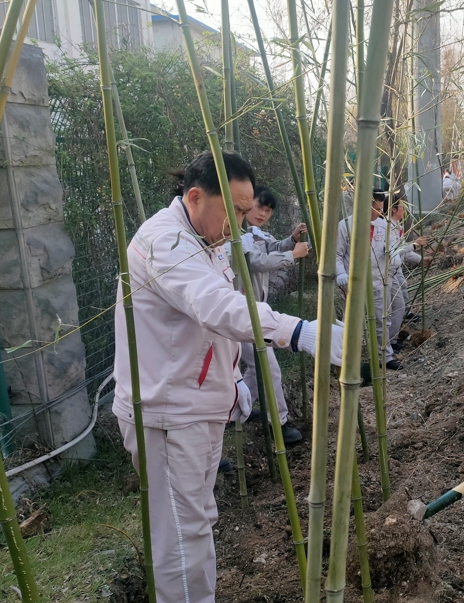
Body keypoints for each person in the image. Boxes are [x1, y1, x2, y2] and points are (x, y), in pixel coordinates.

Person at [112, 151, 343, 603]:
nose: (242, 223)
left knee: (195, 523)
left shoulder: (206, 240)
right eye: (236, 210)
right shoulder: (166, 241)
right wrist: (297, 331)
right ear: (195, 197)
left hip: (194, 407)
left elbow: (208, 329)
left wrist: (232, 378)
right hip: (167, 415)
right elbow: (217, 307)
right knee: (180, 538)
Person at [239, 185, 310, 444]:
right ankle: (279, 423)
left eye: (268, 211)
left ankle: (236, 412)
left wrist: (291, 239)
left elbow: (271, 247)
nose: (263, 214)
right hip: (239, 314)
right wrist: (292, 255)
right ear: (248, 203)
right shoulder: (235, 234)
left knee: (256, 371)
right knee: (270, 369)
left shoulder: (254, 233)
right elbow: (257, 261)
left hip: (253, 312)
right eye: (259, 207)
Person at [336, 188, 401, 370]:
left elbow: (395, 248)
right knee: (353, 323)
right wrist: (341, 274)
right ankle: (349, 360)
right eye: (375, 209)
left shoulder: (384, 226)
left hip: (379, 280)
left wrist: (394, 256)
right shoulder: (346, 226)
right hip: (354, 284)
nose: (379, 213)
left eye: (381, 209)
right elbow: (337, 255)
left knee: (382, 320)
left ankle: (384, 357)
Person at [386, 193, 427, 350]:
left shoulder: (398, 226)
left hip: (395, 271)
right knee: (393, 309)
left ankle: (392, 340)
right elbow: (394, 251)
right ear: (394, 208)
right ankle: (389, 343)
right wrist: (415, 244)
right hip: (386, 274)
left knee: (399, 306)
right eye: (403, 207)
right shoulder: (387, 227)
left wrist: (420, 259)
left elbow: (404, 252)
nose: (405, 211)